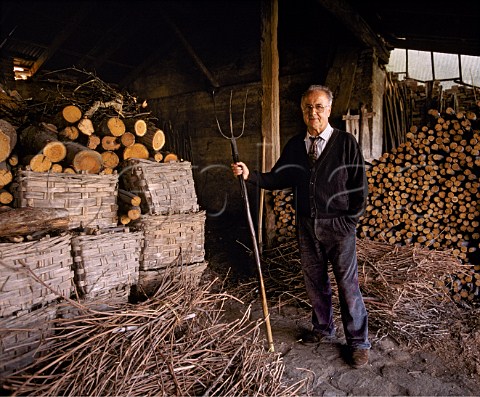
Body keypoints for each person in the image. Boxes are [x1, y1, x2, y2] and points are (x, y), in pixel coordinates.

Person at [231, 84, 370, 368]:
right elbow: (280, 177)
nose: (313, 112)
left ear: (329, 110)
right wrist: (251, 176)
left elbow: (360, 187)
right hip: (307, 225)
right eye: (308, 107)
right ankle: (323, 329)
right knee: (315, 282)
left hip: (339, 227)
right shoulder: (296, 145)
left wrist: (349, 221)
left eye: (319, 106)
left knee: (347, 284)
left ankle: (358, 342)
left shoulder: (346, 143)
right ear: (302, 111)